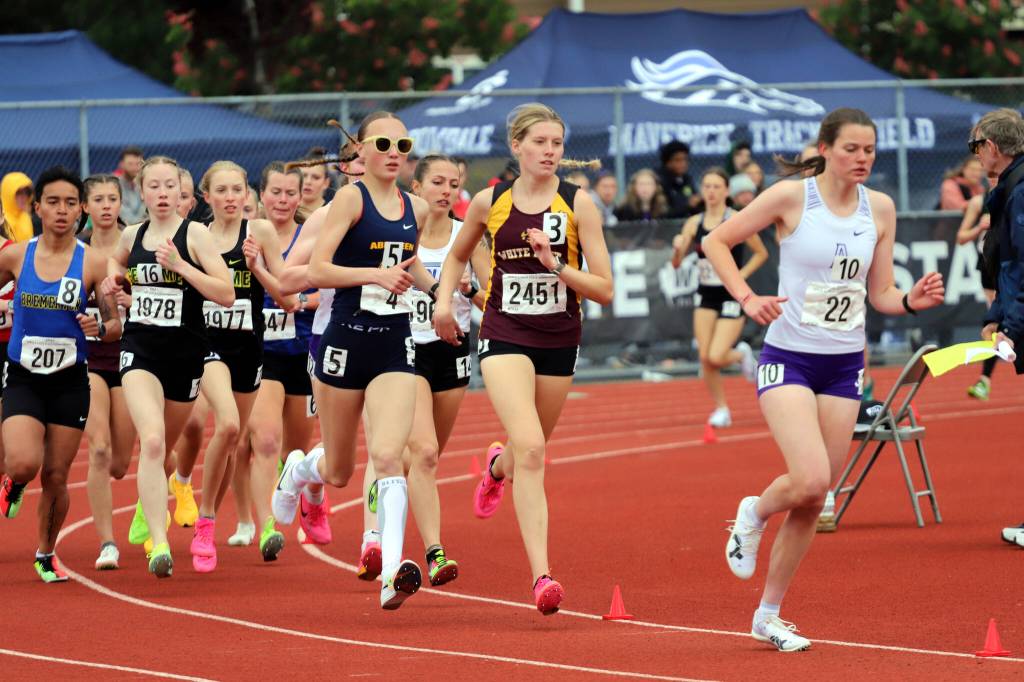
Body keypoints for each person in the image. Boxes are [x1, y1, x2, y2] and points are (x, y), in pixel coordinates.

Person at [703, 107, 945, 651]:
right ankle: (753, 511)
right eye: (852, 149)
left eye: (870, 150)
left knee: (816, 499)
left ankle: (768, 614)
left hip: (842, 365)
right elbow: (716, 242)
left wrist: (909, 300)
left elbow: (879, 292)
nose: (862, 159)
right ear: (826, 148)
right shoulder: (793, 197)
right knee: (809, 478)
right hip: (788, 357)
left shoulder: (879, 208)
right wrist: (747, 297)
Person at [433, 103, 613, 615]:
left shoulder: (579, 205)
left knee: (523, 452)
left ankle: (495, 466)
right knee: (532, 448)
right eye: (540, 143)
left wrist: (556, 266)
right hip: (504, 334)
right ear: (517, 146)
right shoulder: (491, 200)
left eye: (557, 143)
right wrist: (444, 302)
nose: (551, 152)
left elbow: (604, 289)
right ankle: (542, 577)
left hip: (559, 338)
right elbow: (457, 254)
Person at [272, 112, 439, 610]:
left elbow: (414, 267)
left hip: (394, 341)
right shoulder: (349, 199)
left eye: (402, 143)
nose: (394, 151)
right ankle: (300, 471)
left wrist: (450, 294)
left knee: (389, 458)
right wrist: (375, 275)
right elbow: (315, 269)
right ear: (361, 152)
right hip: (344, 339)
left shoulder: (417, 207)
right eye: (383, 142)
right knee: (341, 470)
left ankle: (391, 574)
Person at [104, 155, 235, 578]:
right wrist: (115, 284)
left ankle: (157, 501)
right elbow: (115, 262)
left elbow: (227, 293)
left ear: (182, 194)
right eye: (153, 187)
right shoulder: (132, 234)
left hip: (186, 356)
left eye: (169, 187)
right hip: (140, 351)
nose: (162, 194)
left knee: (167, 448)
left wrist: (180, 266)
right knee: (154, 441)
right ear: (140, 193)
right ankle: (159, 544)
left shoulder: (194, 234)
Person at [169, 161, 293, 573]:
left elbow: (288, 298)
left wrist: (256, 268)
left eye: (236, 189)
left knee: (236, 438)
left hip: (247, 350)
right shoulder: (195, 236)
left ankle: (208, 513)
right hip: (205, 347)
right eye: (220, 190)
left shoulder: (259, 233)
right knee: (226, 427)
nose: (229, 197)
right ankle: (206, 522)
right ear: (206, 197)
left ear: (247, 194)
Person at [0, 167, 122, 582]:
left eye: (71, 203)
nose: (62, 210)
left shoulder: (93, 262)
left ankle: (45, 553)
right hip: (23, 376)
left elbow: (114, 324)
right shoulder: (18, 256)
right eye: (53, 202)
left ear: (81, 210)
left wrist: (100, 327)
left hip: (71, 380)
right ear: (38, 208)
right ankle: (13, 483)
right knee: (22, 462)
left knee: (55, 473)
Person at [403, 154, 490, 586]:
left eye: (453, 184)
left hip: (451, 349)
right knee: (425, 453)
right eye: (436, 182)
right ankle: (434, 552)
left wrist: (469, 288)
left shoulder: (467, 236)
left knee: (425, 453)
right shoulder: (400, 234)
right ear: (416, 187)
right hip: (403, 349)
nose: (445, 191)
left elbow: (490, 298)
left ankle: (386, 489)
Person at [229, 161, 316, 558]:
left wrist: (308, 300)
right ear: (259, 196)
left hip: (304, 351)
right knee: (262, 439)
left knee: (295, 452)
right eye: (275, 192)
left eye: (290, 193)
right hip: (261, 353)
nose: (282, 200)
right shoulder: (244, 238)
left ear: (300, 196)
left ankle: (291, 493)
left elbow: (325, 288)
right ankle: (265, 526)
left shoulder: (313, 235)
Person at [671, 168, 767, 427]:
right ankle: (721, 408)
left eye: (716, 187)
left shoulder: (736, 218)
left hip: (730, 294)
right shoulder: (694, 222)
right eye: (707, 186)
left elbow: (760, 253)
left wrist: (739, 275)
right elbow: (677, 264)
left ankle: (741, 355)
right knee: (705, 358)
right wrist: (678, 249)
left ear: (727, 191)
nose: (711, 192)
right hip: (706, 294)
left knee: (716, 354)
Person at [967, 109, 1024, 547]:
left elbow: (1021, 265)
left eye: (977, 147)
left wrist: (1012, 326)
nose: (975, 155)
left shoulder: (1019, 191)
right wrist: (995, 316)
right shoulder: (1012, 189)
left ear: (992, 148)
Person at [80, 175, 136, 571]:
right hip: (87, 361)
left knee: (118, 464)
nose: (105, 206)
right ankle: (107, 543)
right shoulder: (73, 252)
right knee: (98, 451)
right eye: (97, 199)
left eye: (112, 198)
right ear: (85, 206)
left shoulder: (134, 245)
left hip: (130, 358)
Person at [958, 181, 997, 400]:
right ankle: (985, 380)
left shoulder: (1016, 196)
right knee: (995, 322)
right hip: (989, 266)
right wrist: (981, 227)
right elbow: (961, 237)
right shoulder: (979, 202)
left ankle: (984, 380)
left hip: (1014, 263)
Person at [658, 140, 699, 218]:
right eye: (677, 160)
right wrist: (687, 205)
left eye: (685, 159)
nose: (683, 164)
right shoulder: (659, 181)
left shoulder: (687, 179)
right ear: (667, 162)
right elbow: (662, 213)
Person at [296, 148, 331, 223]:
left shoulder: (333, 212)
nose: (308, 182)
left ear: (326, 183)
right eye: (304, 176)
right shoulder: (287, 211)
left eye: (316, 177)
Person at [117, 146, 147, 225]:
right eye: (130, 164)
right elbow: (124, 217)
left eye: (138, 164)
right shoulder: (115, 186)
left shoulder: (146, 185)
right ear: (121, 164)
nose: (134, 168)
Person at [1, 172, 35, 242]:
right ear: (8, 194)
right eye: (19, 193)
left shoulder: (25, 218)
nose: (24, 197)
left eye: (26, 192)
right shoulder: (2, 221)